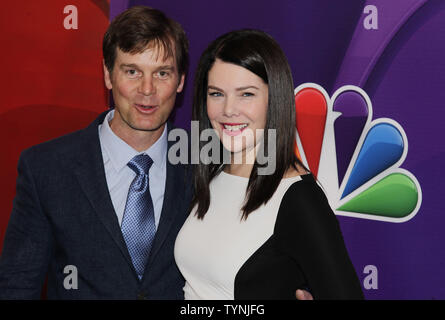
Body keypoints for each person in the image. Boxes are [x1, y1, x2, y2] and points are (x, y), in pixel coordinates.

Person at [0, 6, 193, 299]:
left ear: (180, 81)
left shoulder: (207, 164)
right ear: (107, 75)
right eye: (132, 71)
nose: (147, 90)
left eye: (162, 73)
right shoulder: (46, 168)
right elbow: (17, 285)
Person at [174, 29, 364, 299]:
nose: (228, 109)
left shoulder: (299, 198)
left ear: (274, 99)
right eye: (216, 94)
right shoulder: (212, 172)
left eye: (246, 94)